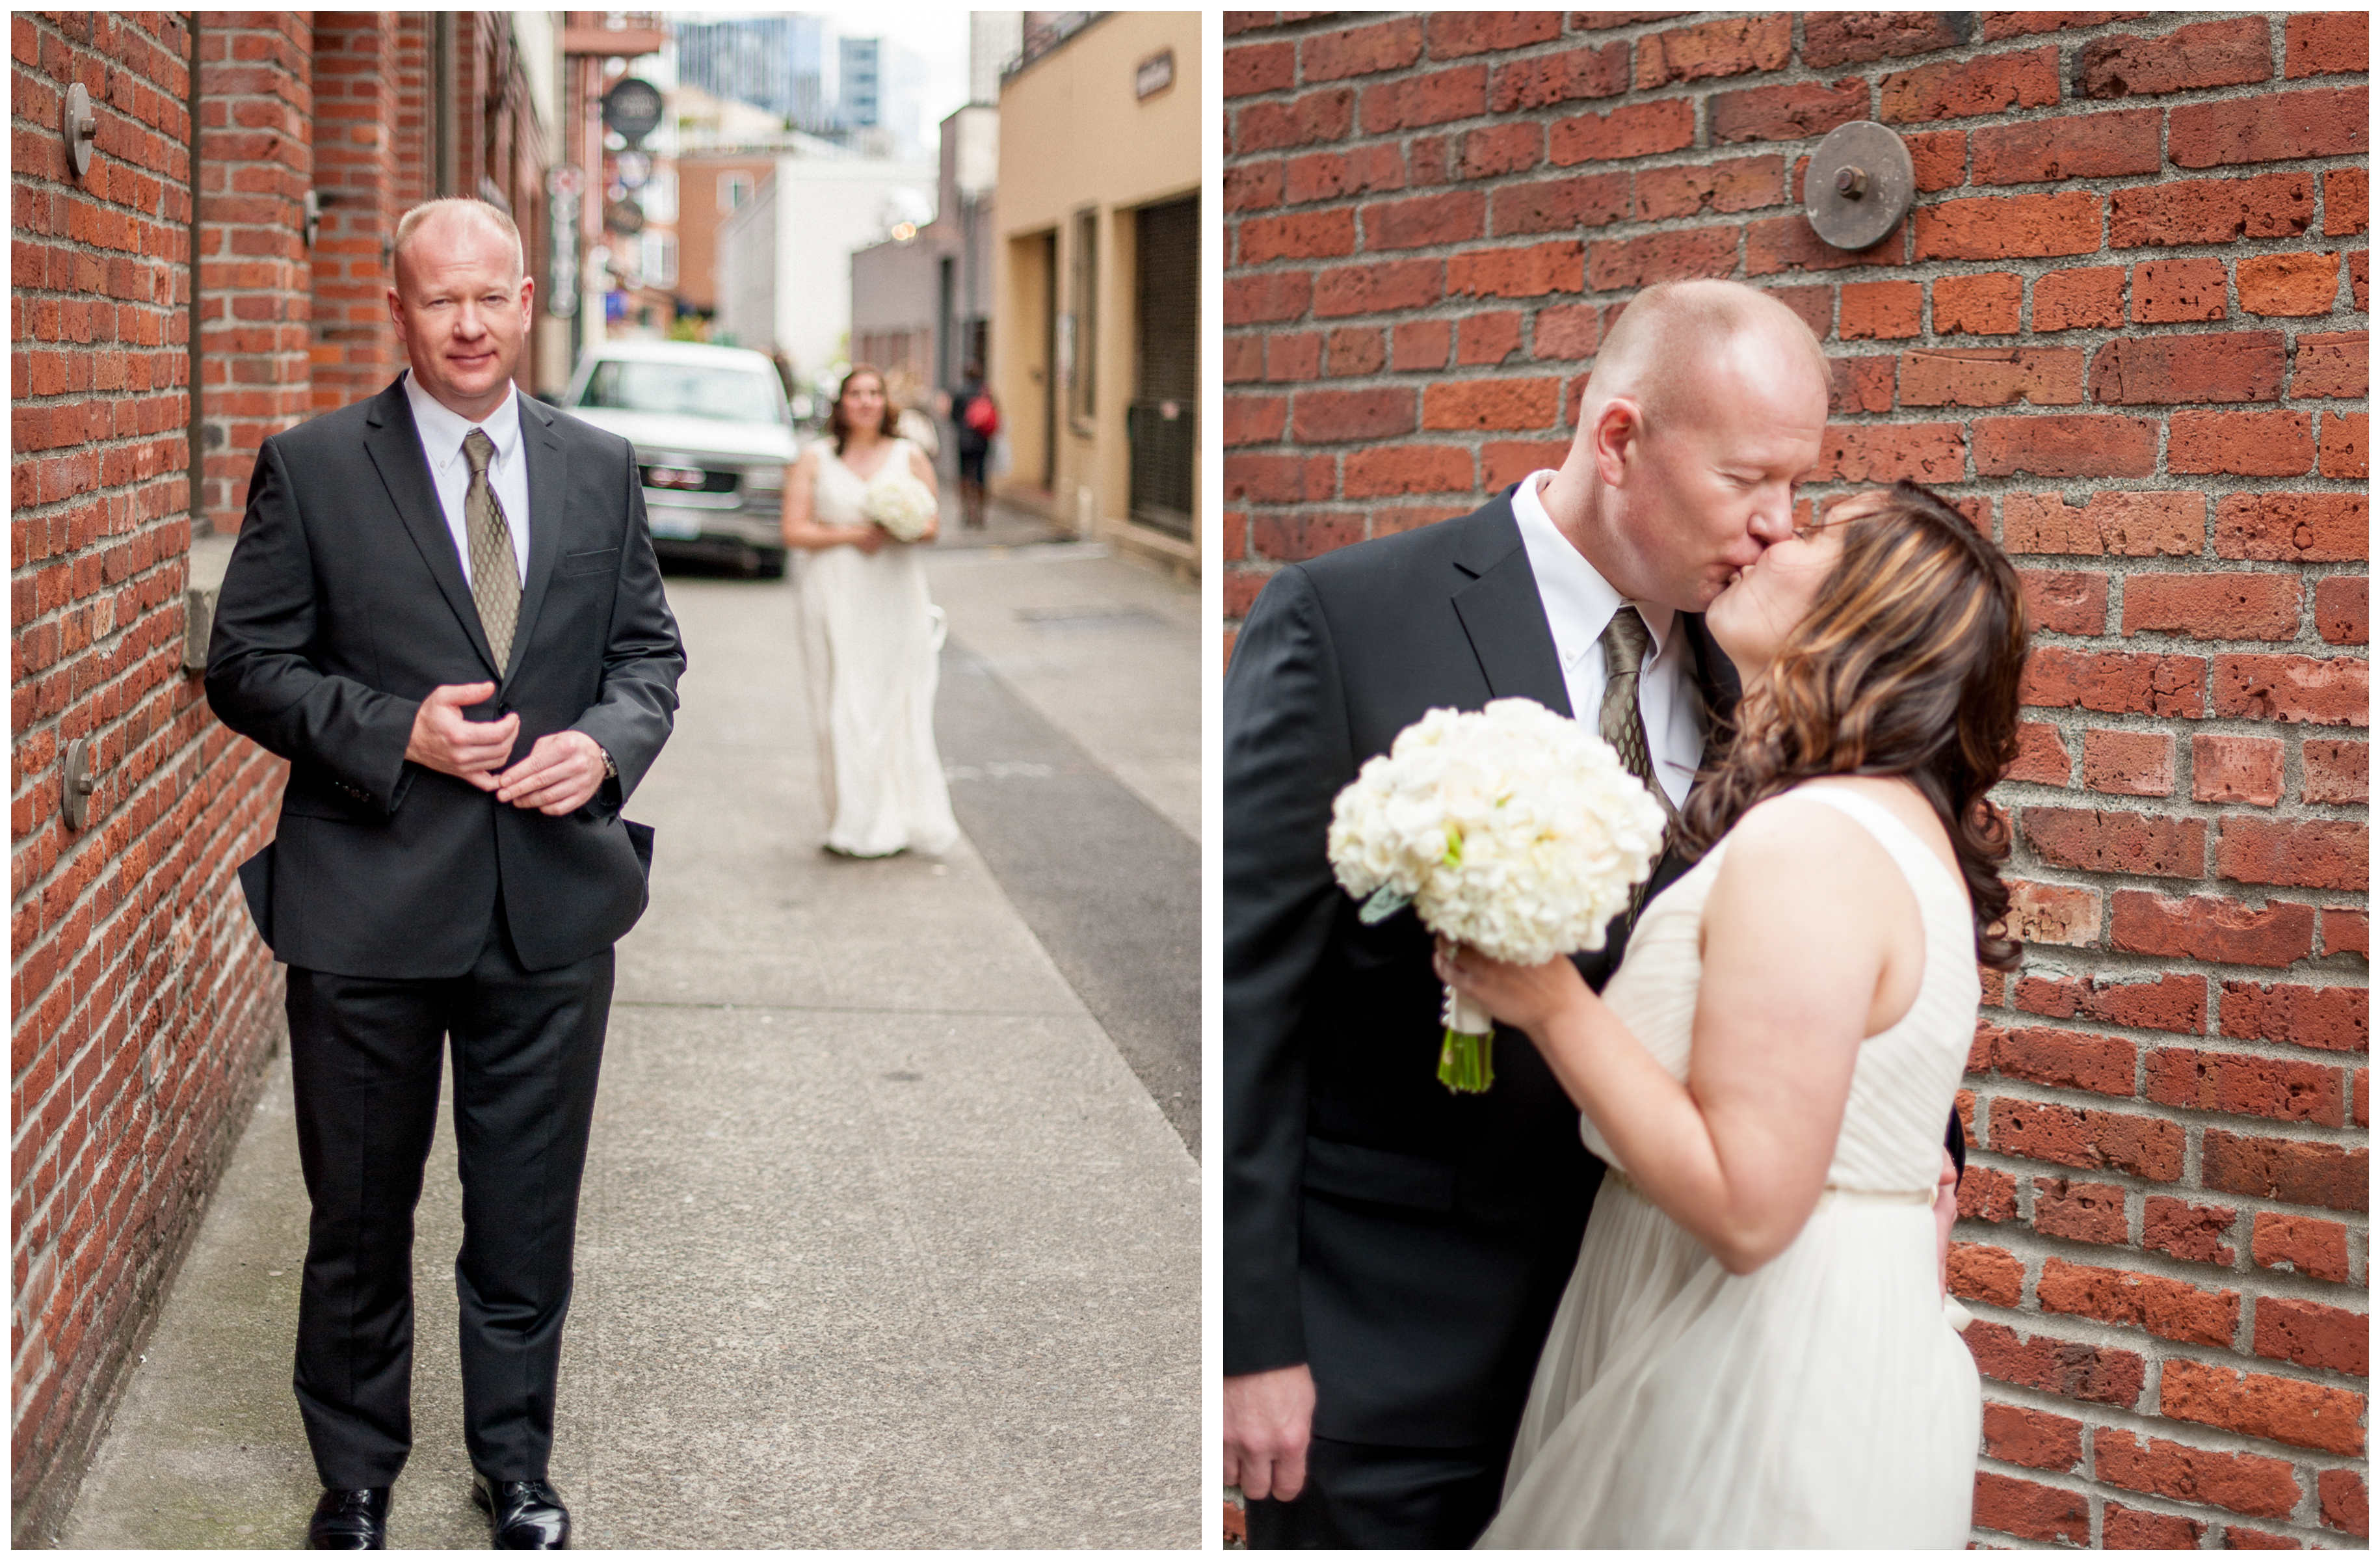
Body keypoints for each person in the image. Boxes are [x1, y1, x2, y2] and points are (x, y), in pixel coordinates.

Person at [1221, 279, 1966, 1548]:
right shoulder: (1351, 622)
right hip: (1390, 1359)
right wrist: (1248, 1340)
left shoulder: (1768, 667)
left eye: (1801, 484)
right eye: (1749, 479)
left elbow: (1819, 945)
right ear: (1619, 440)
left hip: (1662, 1348)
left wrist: (1923, 1143)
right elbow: (1248, 1002)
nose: (1778, 525)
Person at [206, 197, 685, 1550]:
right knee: (359, 1212)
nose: (466, 323)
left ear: (525, 299)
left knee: (525, 1215)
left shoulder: (597, 463)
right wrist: (390, 730)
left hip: (553, 904)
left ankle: (514, 1468)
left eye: (489, 296)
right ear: (396, 305)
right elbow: (247, 665)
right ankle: (354, 1473)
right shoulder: (309, 465)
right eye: (438, 299)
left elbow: (648, 656)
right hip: (365, 904)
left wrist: (601, 749)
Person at [1453, 479, 2018, 1545]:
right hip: (1775, 1329)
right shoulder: (1875, 822)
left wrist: (1543, 996)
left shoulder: (1818, 843)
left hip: (1753, 1370)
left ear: (1867, 617)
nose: (1771, 530)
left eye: (1815, 530)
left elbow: (1752, 1208)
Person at [779, 364, 960, 858]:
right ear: (841, 404)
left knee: (896, 699)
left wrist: (898, 525)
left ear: (885, 402)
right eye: (856, 393)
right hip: (833, 592)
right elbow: (794, 531)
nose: (865, 401)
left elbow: (932, 525)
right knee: (839, 701)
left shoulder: (910, 456)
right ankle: (851, 820)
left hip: (895, 592)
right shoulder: (815, 458)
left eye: (874, 393)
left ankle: (899, 816)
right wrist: (853, 535)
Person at [950, 360, 995, 529]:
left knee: (964, 476)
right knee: (981, 475)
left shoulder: (960, 392)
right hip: (982, 440)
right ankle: (981, 514)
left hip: (964, 440)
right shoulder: (985, 392)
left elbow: (953, 416)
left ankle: (966, 512)